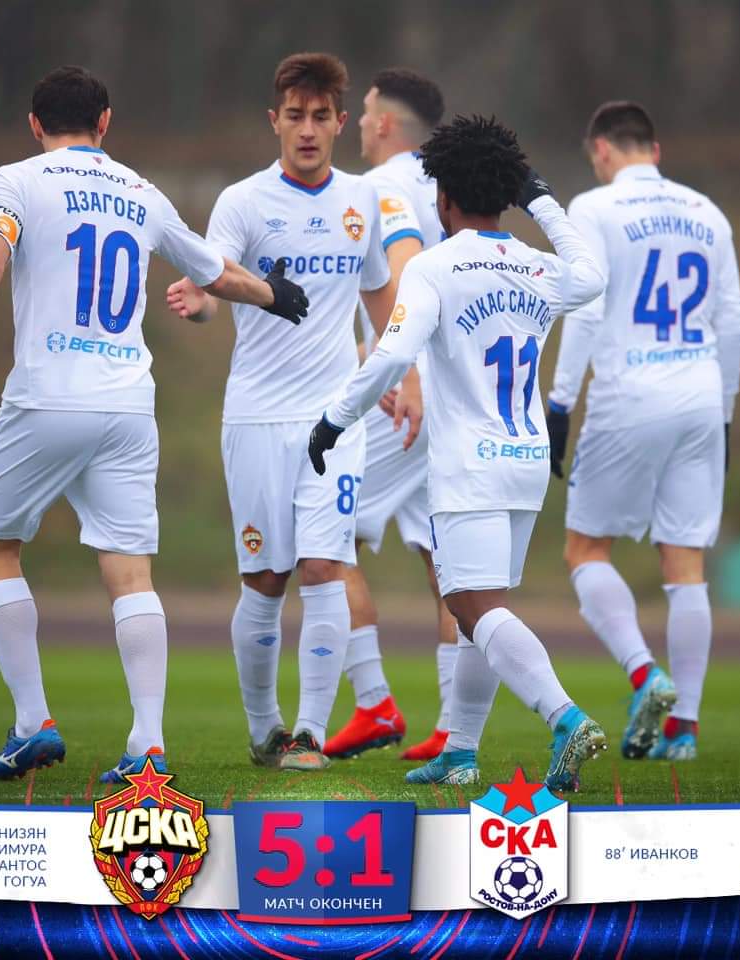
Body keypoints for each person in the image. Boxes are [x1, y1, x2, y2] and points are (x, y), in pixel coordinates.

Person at [0, 65, 308, 784]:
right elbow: (213, 270)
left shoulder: (17, 180)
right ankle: (147, 744)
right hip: (128, 406)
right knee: (130, 571)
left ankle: (33, 723)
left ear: (36, 125)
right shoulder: (140, 191)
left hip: (46, 399)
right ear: (105, 122)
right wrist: (273, 295)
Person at [308, 115, 608, 790]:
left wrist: (335, 418)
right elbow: (592, 276)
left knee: (471, 606)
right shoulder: (538, 267)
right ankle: (461, 751)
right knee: (481, 609)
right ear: (505, 194)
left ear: (442, 198)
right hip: (526, 461)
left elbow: (392, 357)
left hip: (469, 466)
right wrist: (542, 201)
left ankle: (564, 717)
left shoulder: (433, 267)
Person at [166, 53, 394, 771]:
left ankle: (309, 734)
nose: (307, 129)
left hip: (336, 420)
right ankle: (264, 727)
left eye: (320, 116)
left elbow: (380, 294)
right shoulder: (243, 201)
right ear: (275, 121)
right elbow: (213, 277)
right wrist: (200, 303)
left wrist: (399, 369)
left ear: (340, 123)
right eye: (295, 116)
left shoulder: (362, 202)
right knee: (266, 579)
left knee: (326, 565)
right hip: (258, 418)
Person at [545, 101, 740, 761]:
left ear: (601, 150)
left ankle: (643, 674)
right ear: (654, 151)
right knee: (686, 564)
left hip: (629, 393)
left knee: (585, 548)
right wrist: (724, 411)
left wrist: (560, 403)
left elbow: (585, 311)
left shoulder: (593, 207)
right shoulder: (708, 212)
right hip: (699, 393)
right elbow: (733, 321)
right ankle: (683, 730)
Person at [323, 68, 459, 763]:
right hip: (454, 387)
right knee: (449, 563)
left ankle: (374, 702)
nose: (358, 121)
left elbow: (402, 280)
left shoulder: (377, 187)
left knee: (318, 533)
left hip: (405, 389)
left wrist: (391, 365)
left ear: (383, 124)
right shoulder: (449, 187)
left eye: (366, 110)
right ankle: (455, 726)